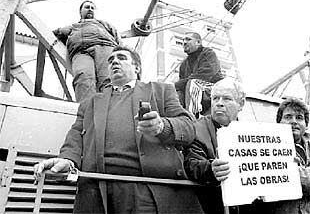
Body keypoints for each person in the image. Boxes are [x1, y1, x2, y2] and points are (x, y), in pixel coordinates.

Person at [34, 46, 203, 214]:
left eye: (121, 58)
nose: (114, 61)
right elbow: (76, 135)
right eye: (110, 60)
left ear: (137, 67)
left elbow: (188, 128)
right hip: (97, 192)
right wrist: (68, 160)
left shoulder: (161, 90)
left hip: (149, 190)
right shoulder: (90, 103)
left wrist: (162, 127)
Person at [183, 78, 246, 214]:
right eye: (215, 98)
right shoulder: (196, 129)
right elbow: (191, 164)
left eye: (227, 99)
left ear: (241, 104)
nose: (219, 104)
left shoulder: (252, 134)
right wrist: (211, 169)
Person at [53, 0, 122, 102]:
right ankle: (86, 112)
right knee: (83, 78)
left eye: (92, 7)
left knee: (107, 79)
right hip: (81, 52)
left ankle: (110, 109)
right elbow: (55, 34)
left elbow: (119, 40)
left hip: (105, 48)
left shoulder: (104, 24)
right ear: (80, 12)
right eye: (87, 7)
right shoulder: (72, 27)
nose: (90, 9)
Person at [270, 97, 310, 214]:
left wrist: (292, 171)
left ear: (306, 125)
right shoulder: (265, 146)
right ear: (279, 122)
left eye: (299, 117)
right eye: (288, 117)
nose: (294, 121)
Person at [174, 32, 224, 116]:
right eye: (183, 40)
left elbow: (205, 75)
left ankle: (192, 115)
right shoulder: (183, 65)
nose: (184, 42)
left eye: (188, 39)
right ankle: (178, 116)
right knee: (176, 92)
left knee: (193, 82)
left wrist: (179, 84)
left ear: (198, 42)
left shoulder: (208, 53)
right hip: (193, 90)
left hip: (214, 87)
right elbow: (181, 84)